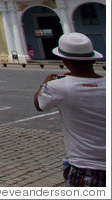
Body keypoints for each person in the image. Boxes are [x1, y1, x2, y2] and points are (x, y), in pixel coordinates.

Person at [34, 33, 105, 187]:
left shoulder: (58, 87)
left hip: (86, 168)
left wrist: (45, 84)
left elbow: (39, 104)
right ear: (93, 59)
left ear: (64, 61)